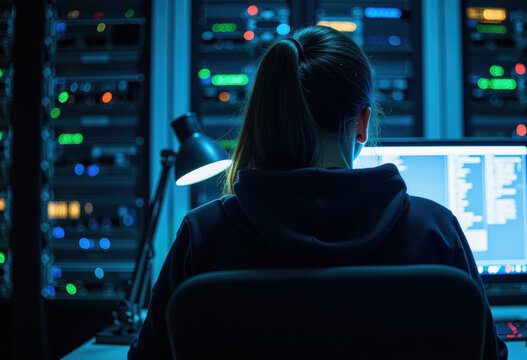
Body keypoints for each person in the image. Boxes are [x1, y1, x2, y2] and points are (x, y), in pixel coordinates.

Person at [128, 25, 507, 360]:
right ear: (363, 123)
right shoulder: (435, 230)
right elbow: (487, 353)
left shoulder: (203, 235)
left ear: (267, 119)